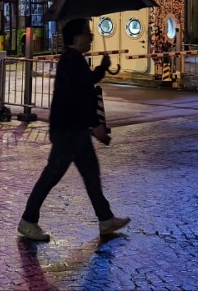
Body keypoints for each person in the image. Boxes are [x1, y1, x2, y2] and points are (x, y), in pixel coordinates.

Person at [17, 18, 130, 242]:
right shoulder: (71, 61)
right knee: (52, 175)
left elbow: (85, 84)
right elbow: (78, 97)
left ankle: (105, 218)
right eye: (88, 33)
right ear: (77, 36)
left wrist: (101, 69)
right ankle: (28, 220)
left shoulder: (75, 60)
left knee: (91, 174)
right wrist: (96, 125)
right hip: (68, 131)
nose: (91, 37)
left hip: (75, 130)